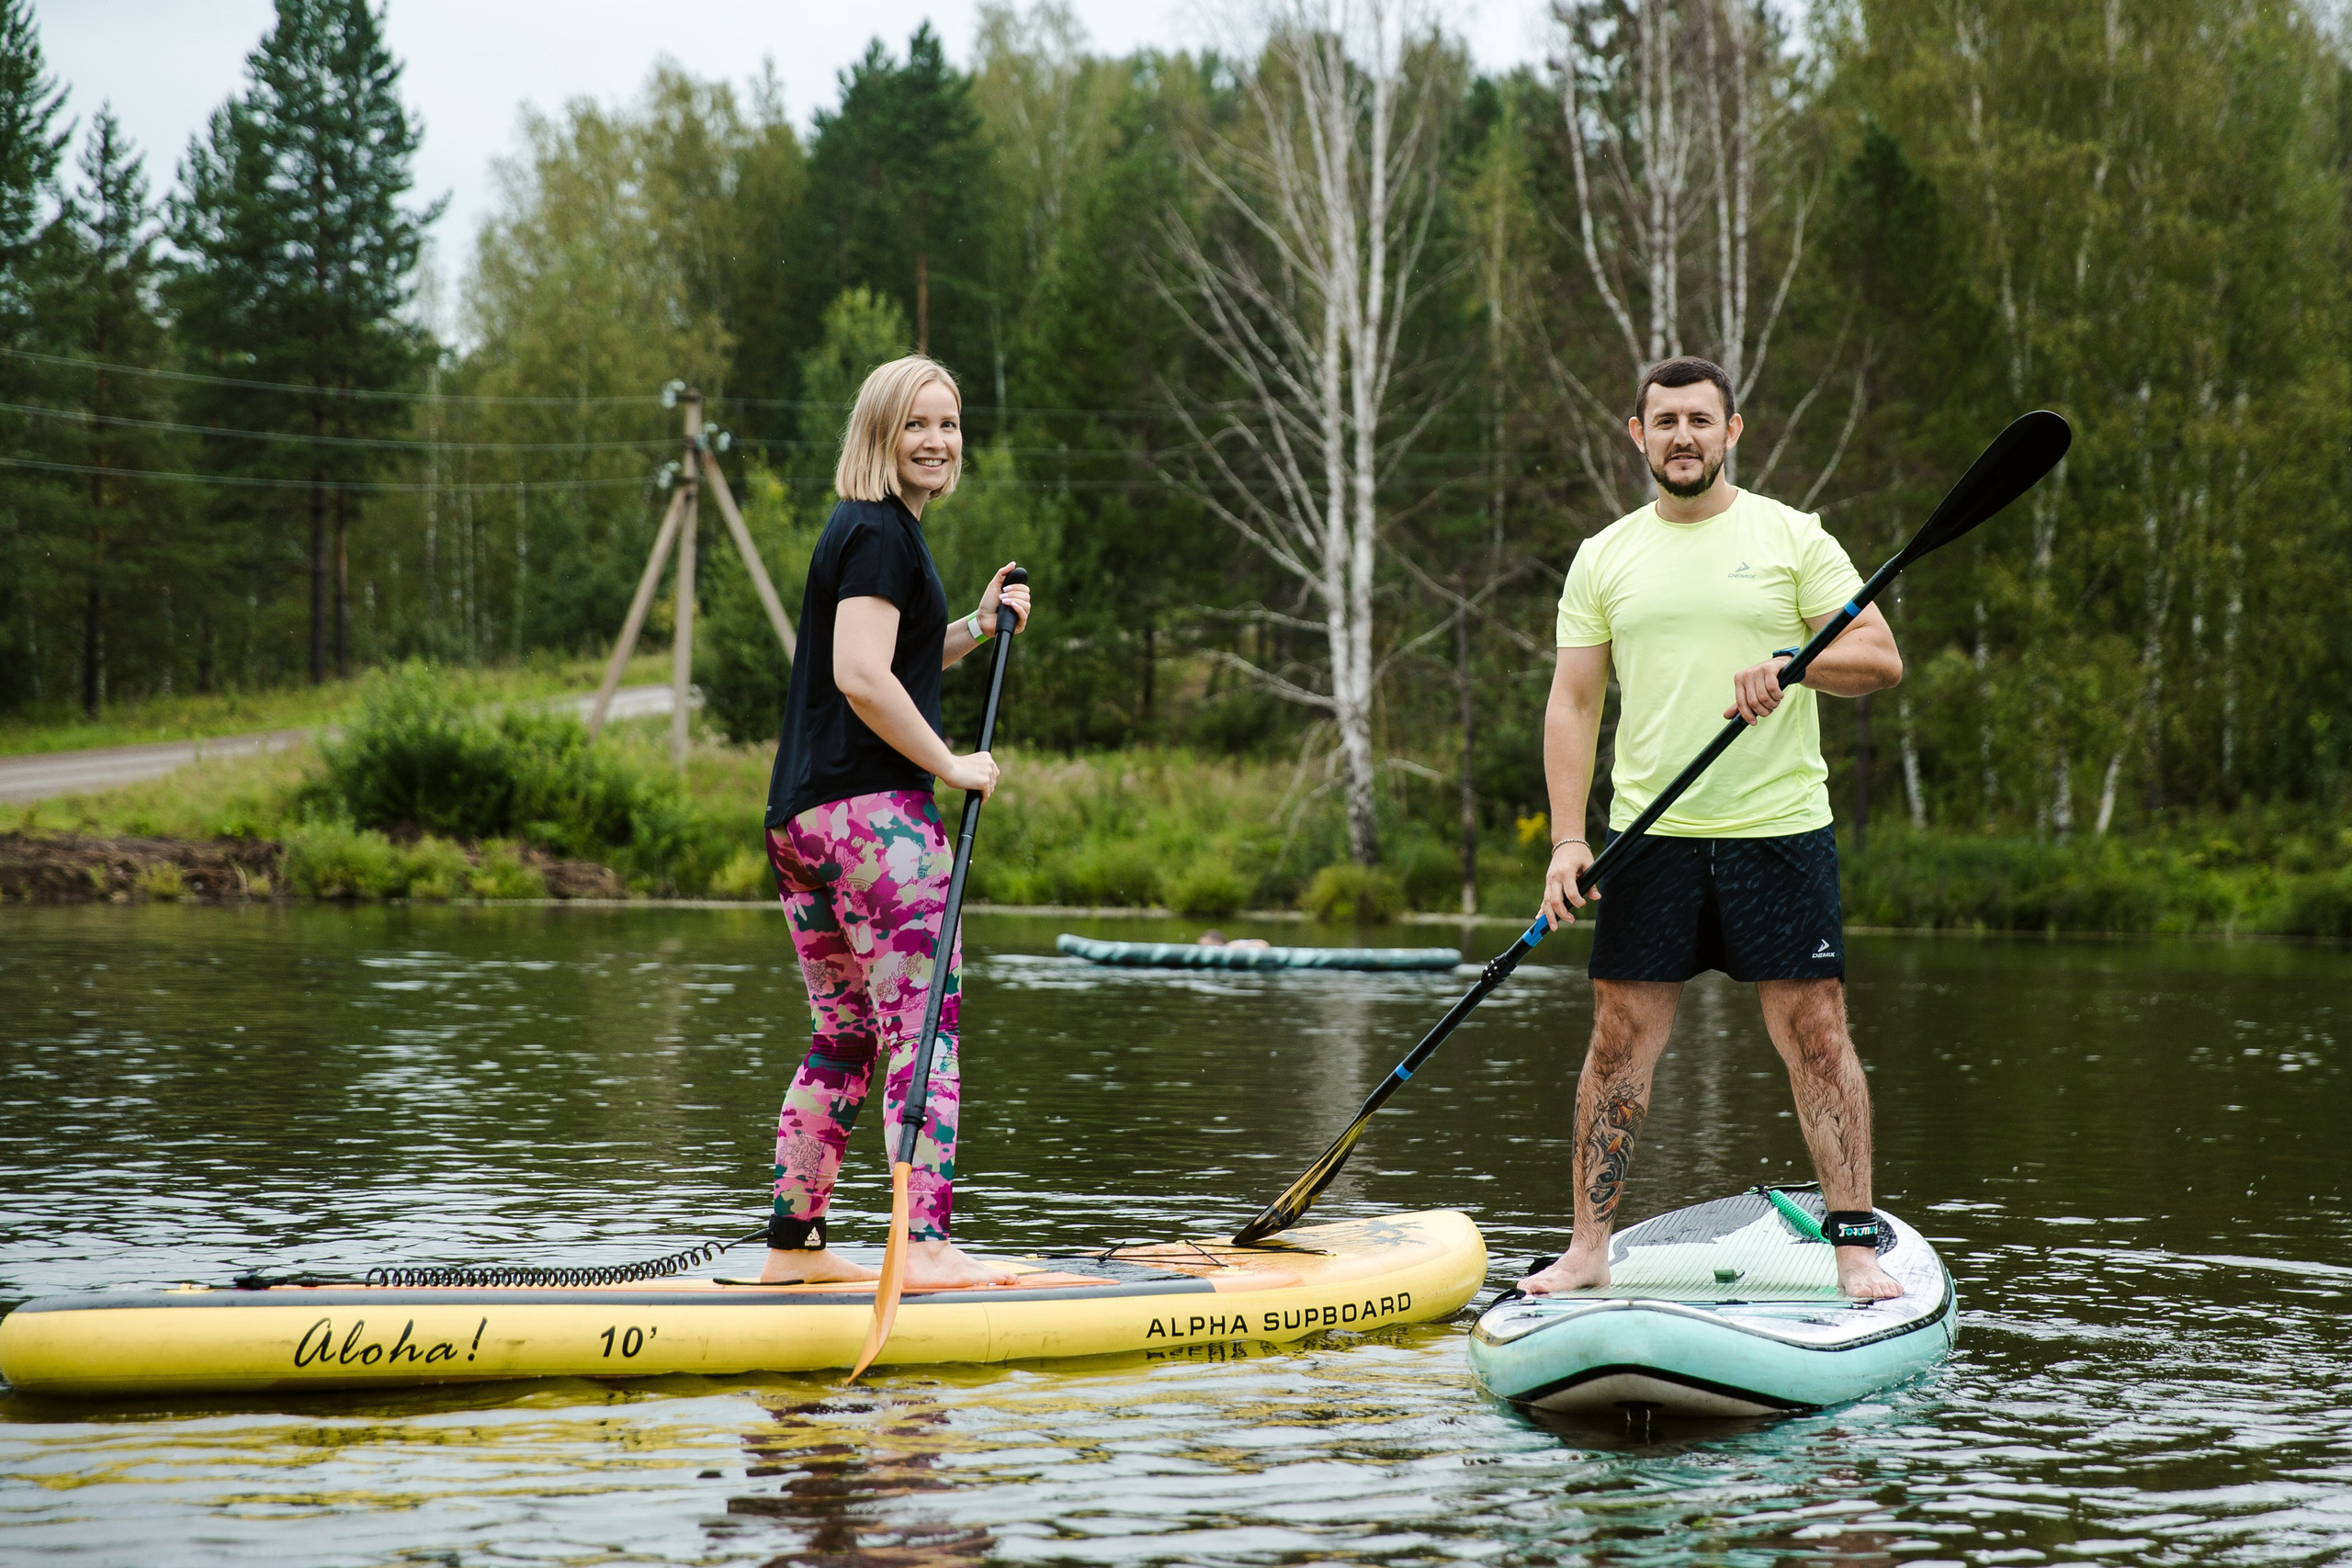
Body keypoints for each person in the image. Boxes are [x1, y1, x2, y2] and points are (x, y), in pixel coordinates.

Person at [1523, 355, 1905, 1302]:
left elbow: (1878, 657)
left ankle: (1853, 1250)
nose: (1682, 436)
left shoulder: (1792, 537)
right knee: (1617, 1041)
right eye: (1665, 422)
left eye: (1700, 420)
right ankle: (1585, 1253)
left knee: (1815, 1033)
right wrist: (1568, 841)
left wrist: (1796, 664)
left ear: (1732, 431)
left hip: (1776, 828)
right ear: (1638, 435)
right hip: (1648, 833)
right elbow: (1572, 704)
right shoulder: (1605, 555)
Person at [755, 355, 1033, 1291]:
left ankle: (793, 1249)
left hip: (802, 822)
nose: (937, 443)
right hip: (877, 826)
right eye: (917, 425)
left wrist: (977, 626)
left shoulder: (868, 535)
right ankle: (926, 1248)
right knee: (925, 1028)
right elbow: (860, 676)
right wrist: (949, 764)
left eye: (949, 426)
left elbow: (899, 661)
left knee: (845, 1035)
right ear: (879, 433)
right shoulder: (878, 533)